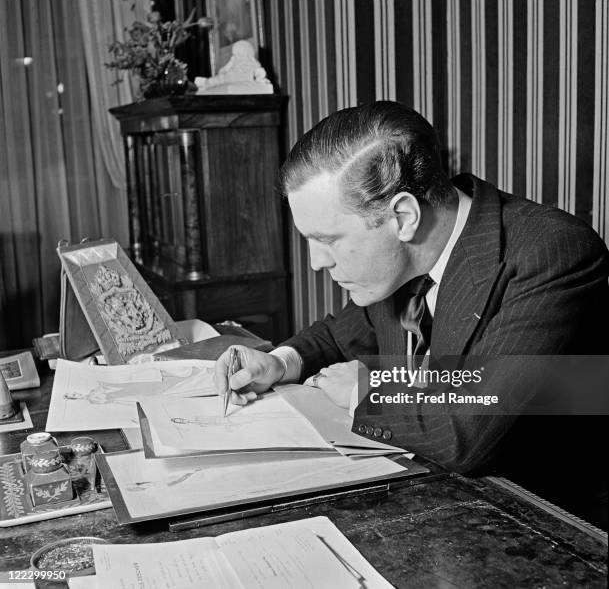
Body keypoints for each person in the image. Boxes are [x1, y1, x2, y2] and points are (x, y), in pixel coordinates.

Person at [214, 101, 609, 528]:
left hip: (547, 521)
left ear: (404, 216)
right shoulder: (400, 260)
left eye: (327, 238)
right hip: (439, 496)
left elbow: (465, 430)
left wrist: (366, 388)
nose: (315, 262)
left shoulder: (551, 253)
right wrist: (280, 362)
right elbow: (337, 336)